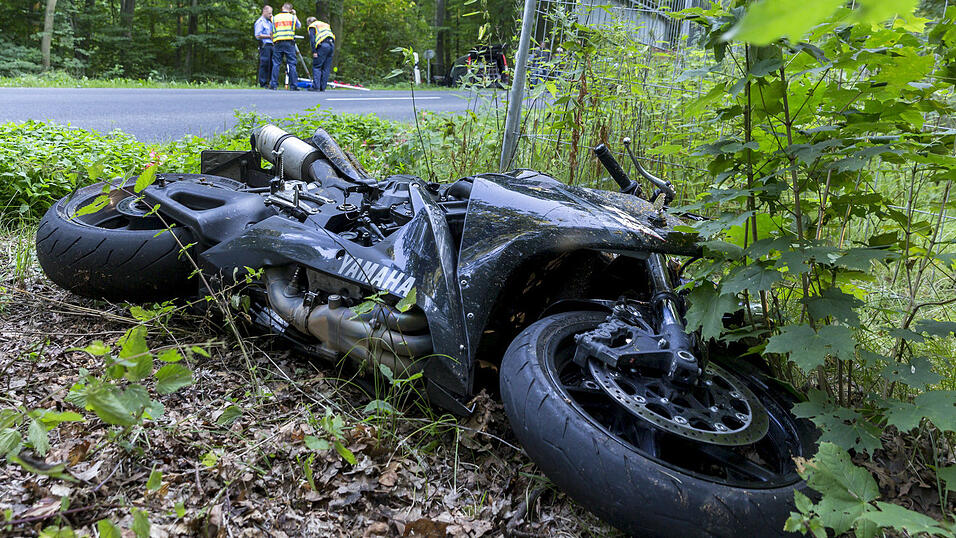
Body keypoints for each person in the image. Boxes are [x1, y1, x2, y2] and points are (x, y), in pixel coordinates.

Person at [269, 3, 301, 91]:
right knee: (292, 64)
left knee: (276, 63)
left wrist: (273, 42)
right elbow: (299, 26)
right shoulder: (293, 17)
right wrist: (294, 14)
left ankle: (273, 84)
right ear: (291, 10)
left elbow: (271, 32)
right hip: (289, 43)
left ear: (282, 8)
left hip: (278, 42)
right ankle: (293, 85)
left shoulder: (274, 18)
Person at [306, 16, 335, 92]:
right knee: (326, 67)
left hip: (323, 46)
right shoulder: (325, 24)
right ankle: (323, 87)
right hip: (331, 45)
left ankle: (316, 87)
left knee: (317, 66)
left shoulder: (312, 26)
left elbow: (312, 40)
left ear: (309, 23)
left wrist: (314, 51)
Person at [253, 5, 274, 88]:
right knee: (265, 64)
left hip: (272, 45)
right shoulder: (260, 22)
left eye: (271, 13)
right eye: (269, 13)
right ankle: (263, 83)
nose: (270, 15)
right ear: (264, 12)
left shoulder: (269, 22)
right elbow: (257, 35)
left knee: (272, 64)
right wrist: (269, 36)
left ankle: (271, 83)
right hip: (265, 45)